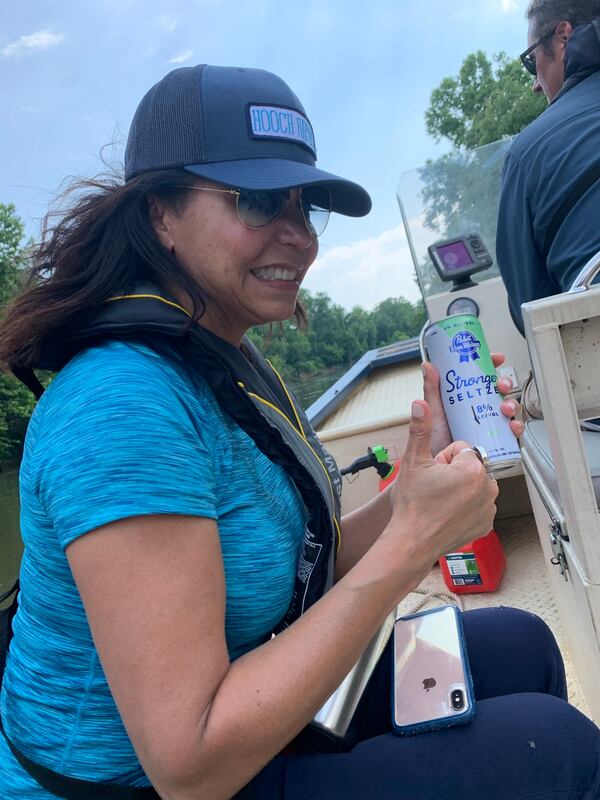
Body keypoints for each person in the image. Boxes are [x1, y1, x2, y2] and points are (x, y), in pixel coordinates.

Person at [0, 63, 599, 800]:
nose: (298, 236)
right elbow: (189, 764)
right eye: (256, 201)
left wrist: (413, 491)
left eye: (304, 204)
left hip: (244, 714)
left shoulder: (227, 355)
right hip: (151, 781)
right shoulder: (122, 406)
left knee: (522, 644)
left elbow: (309, 565)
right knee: (555, 749)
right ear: (159, 211)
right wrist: (414, 543)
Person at [496, 0, 600, 335]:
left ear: (563, 37)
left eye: (531, 62)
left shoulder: (526, 154)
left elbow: (533, 315)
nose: (535, 84)